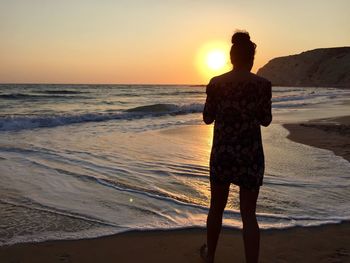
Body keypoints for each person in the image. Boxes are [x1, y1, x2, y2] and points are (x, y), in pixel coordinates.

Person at [200, 31, 272, 263]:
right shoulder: (263, 85)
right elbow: (265, 120)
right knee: (249, 214)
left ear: (231, 58)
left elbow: (208, 118)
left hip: (223, 154)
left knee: (216, 209)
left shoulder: (216, 83)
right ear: (251, 59)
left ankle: (210, 256)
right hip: (250, 154)